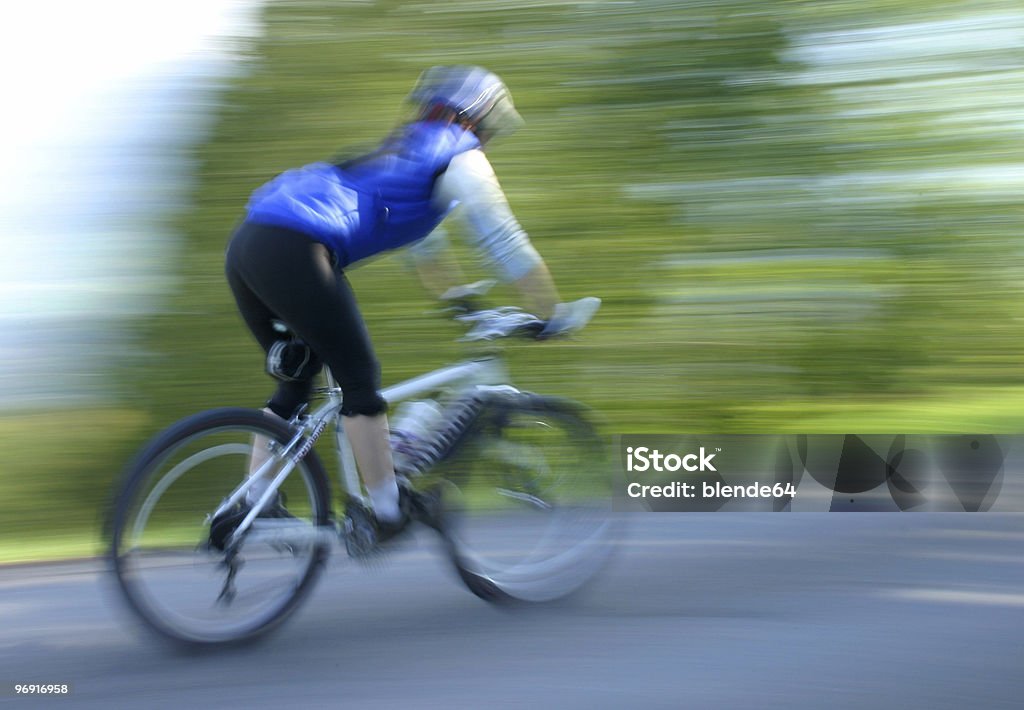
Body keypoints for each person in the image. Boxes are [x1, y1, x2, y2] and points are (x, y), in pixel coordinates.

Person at [222, 65, 594, 544]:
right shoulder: (462, 157)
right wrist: (551, 312)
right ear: (477, 117)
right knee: (360, 383)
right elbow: (503, 243)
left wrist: (461, 304)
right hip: (297, 247)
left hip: (249, 246)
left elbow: (426, 250)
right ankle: (386, 512)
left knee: (297, 381)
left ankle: (253, 503)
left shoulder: (403, 153)